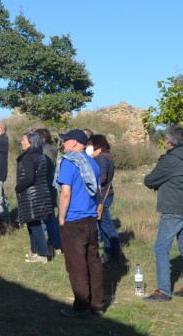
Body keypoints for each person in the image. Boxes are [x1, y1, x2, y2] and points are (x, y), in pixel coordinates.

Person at [142, 125, 183, 301]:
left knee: (161, 248)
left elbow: (149, 180)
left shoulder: (169, 160)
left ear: (168, 141)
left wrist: (159, 183)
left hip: (173, 208)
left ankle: (164, 291)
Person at [55, 129, 104, 317]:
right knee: (93, 260)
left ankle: (81, 306)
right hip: (91, 219)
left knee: (76, 265)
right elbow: (98, 190)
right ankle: (97, 303)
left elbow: (65, 192)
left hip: (74, 219)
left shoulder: (69, 162)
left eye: (65, 141)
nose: (63, 144)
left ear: (74, 143)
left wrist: (61, 217)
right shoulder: (92, 162)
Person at [15, 131, 54, 262]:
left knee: (35, 225)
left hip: (31, 194)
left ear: (31, 142)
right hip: (41, 192)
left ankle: (43, 254)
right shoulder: (42, 156)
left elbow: (29, 178)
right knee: (32, 223)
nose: (21, 142)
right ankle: (34, 251)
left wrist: (17, 188)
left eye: (23, 140)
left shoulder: (28, 157)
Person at [89, 135, 121, 265]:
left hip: (103, 195)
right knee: (103, 227)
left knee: (108, 228)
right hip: (105, 194)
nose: (88, 147)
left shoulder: (102, 158)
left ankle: (116, 256)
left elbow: (102, 178)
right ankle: (108, 254)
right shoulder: (105, 156)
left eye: (91, 144)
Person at [35, 128, 62, 254]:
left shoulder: (46, 152)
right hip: (47, 187)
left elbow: (43, 170)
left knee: (49, 218)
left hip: (46, 188)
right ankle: (54, 243)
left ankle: (55, 244)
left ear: (42, 139)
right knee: (48, 217)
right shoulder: (47, 150)